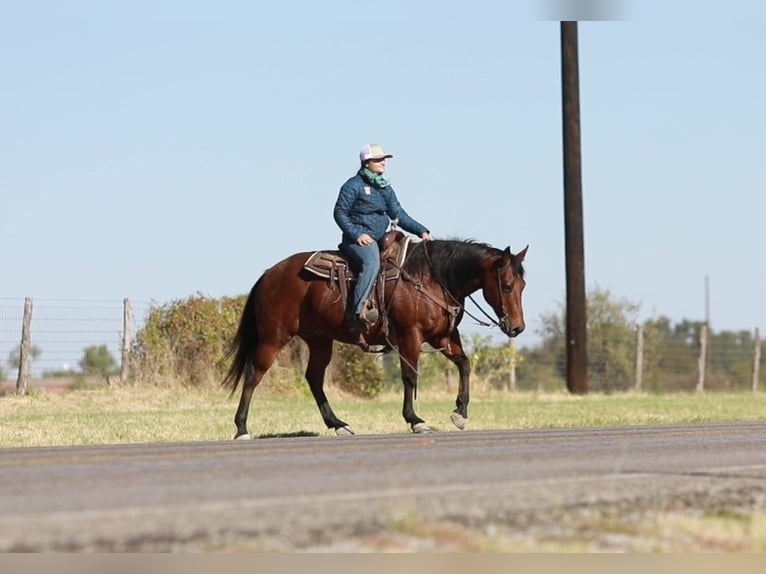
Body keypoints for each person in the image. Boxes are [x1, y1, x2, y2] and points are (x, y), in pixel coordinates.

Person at [333, 143, 432, 331]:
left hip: (381, 238)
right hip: (359, 240)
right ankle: (358, 311)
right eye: (378, 160)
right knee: (371, 263)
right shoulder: (353, 185)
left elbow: (398, 214)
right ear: (366, 163)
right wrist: (356, 234)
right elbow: (339, 213)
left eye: (384, 159)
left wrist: (421, 230)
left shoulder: (384, 187)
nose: (383, 163)